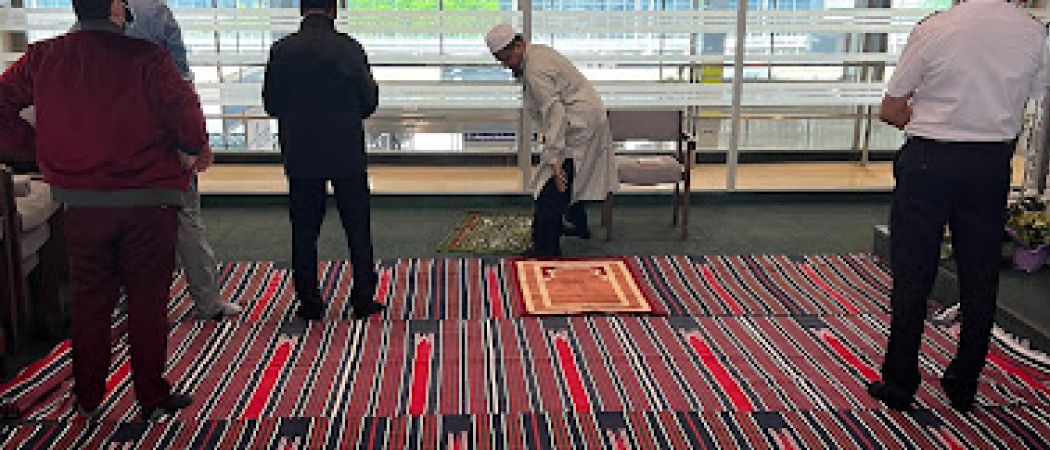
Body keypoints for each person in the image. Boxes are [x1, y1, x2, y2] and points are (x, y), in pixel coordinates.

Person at [0, 0, 210, 419]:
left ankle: (89, 395)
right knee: (147, 300)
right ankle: (151, 394)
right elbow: (184, 119)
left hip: (81, 201)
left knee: (91, 300)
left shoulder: (43, 56)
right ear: (116, 9)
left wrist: (37, 148)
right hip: (149, 200)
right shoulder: (148, 58)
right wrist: (195, 149)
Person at [868, 0, 1048, 412]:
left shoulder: (935, 27)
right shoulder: (1033, 32)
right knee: (980, 276)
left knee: (913, 274)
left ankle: (899, 385)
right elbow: (1035, 97)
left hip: (929, 160)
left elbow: (891, 108)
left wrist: (934, 118)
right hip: (990, 165)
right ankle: (963, 385)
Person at [262, 0, 385, 321]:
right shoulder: (349, 48)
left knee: (304, 230)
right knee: (357, 227)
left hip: (301, 152)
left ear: (302, 9)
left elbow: (271, 104)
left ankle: (310, 303)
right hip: (346, 150)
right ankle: (362, 300)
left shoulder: (282, 50)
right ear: (334, 10)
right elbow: (369, 101)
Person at [124, 0, 242, 320]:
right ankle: (208, 302)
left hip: (115, 139)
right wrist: (197, 141)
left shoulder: (86, 24)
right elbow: (182, 82)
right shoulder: (156, 12)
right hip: (163, 135)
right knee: (186, 216)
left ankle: (130, 301)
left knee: (126, 221)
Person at [485, 23, 617, 257]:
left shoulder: (536, 69)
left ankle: (546, 249)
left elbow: (553, 112)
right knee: (565, 183)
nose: (503, 64)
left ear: (517, 47)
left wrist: (554, 156)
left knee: (552, 188)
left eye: (504, 58)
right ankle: (577, 226)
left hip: (578, 127)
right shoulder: (538, 54)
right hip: (579, 122)